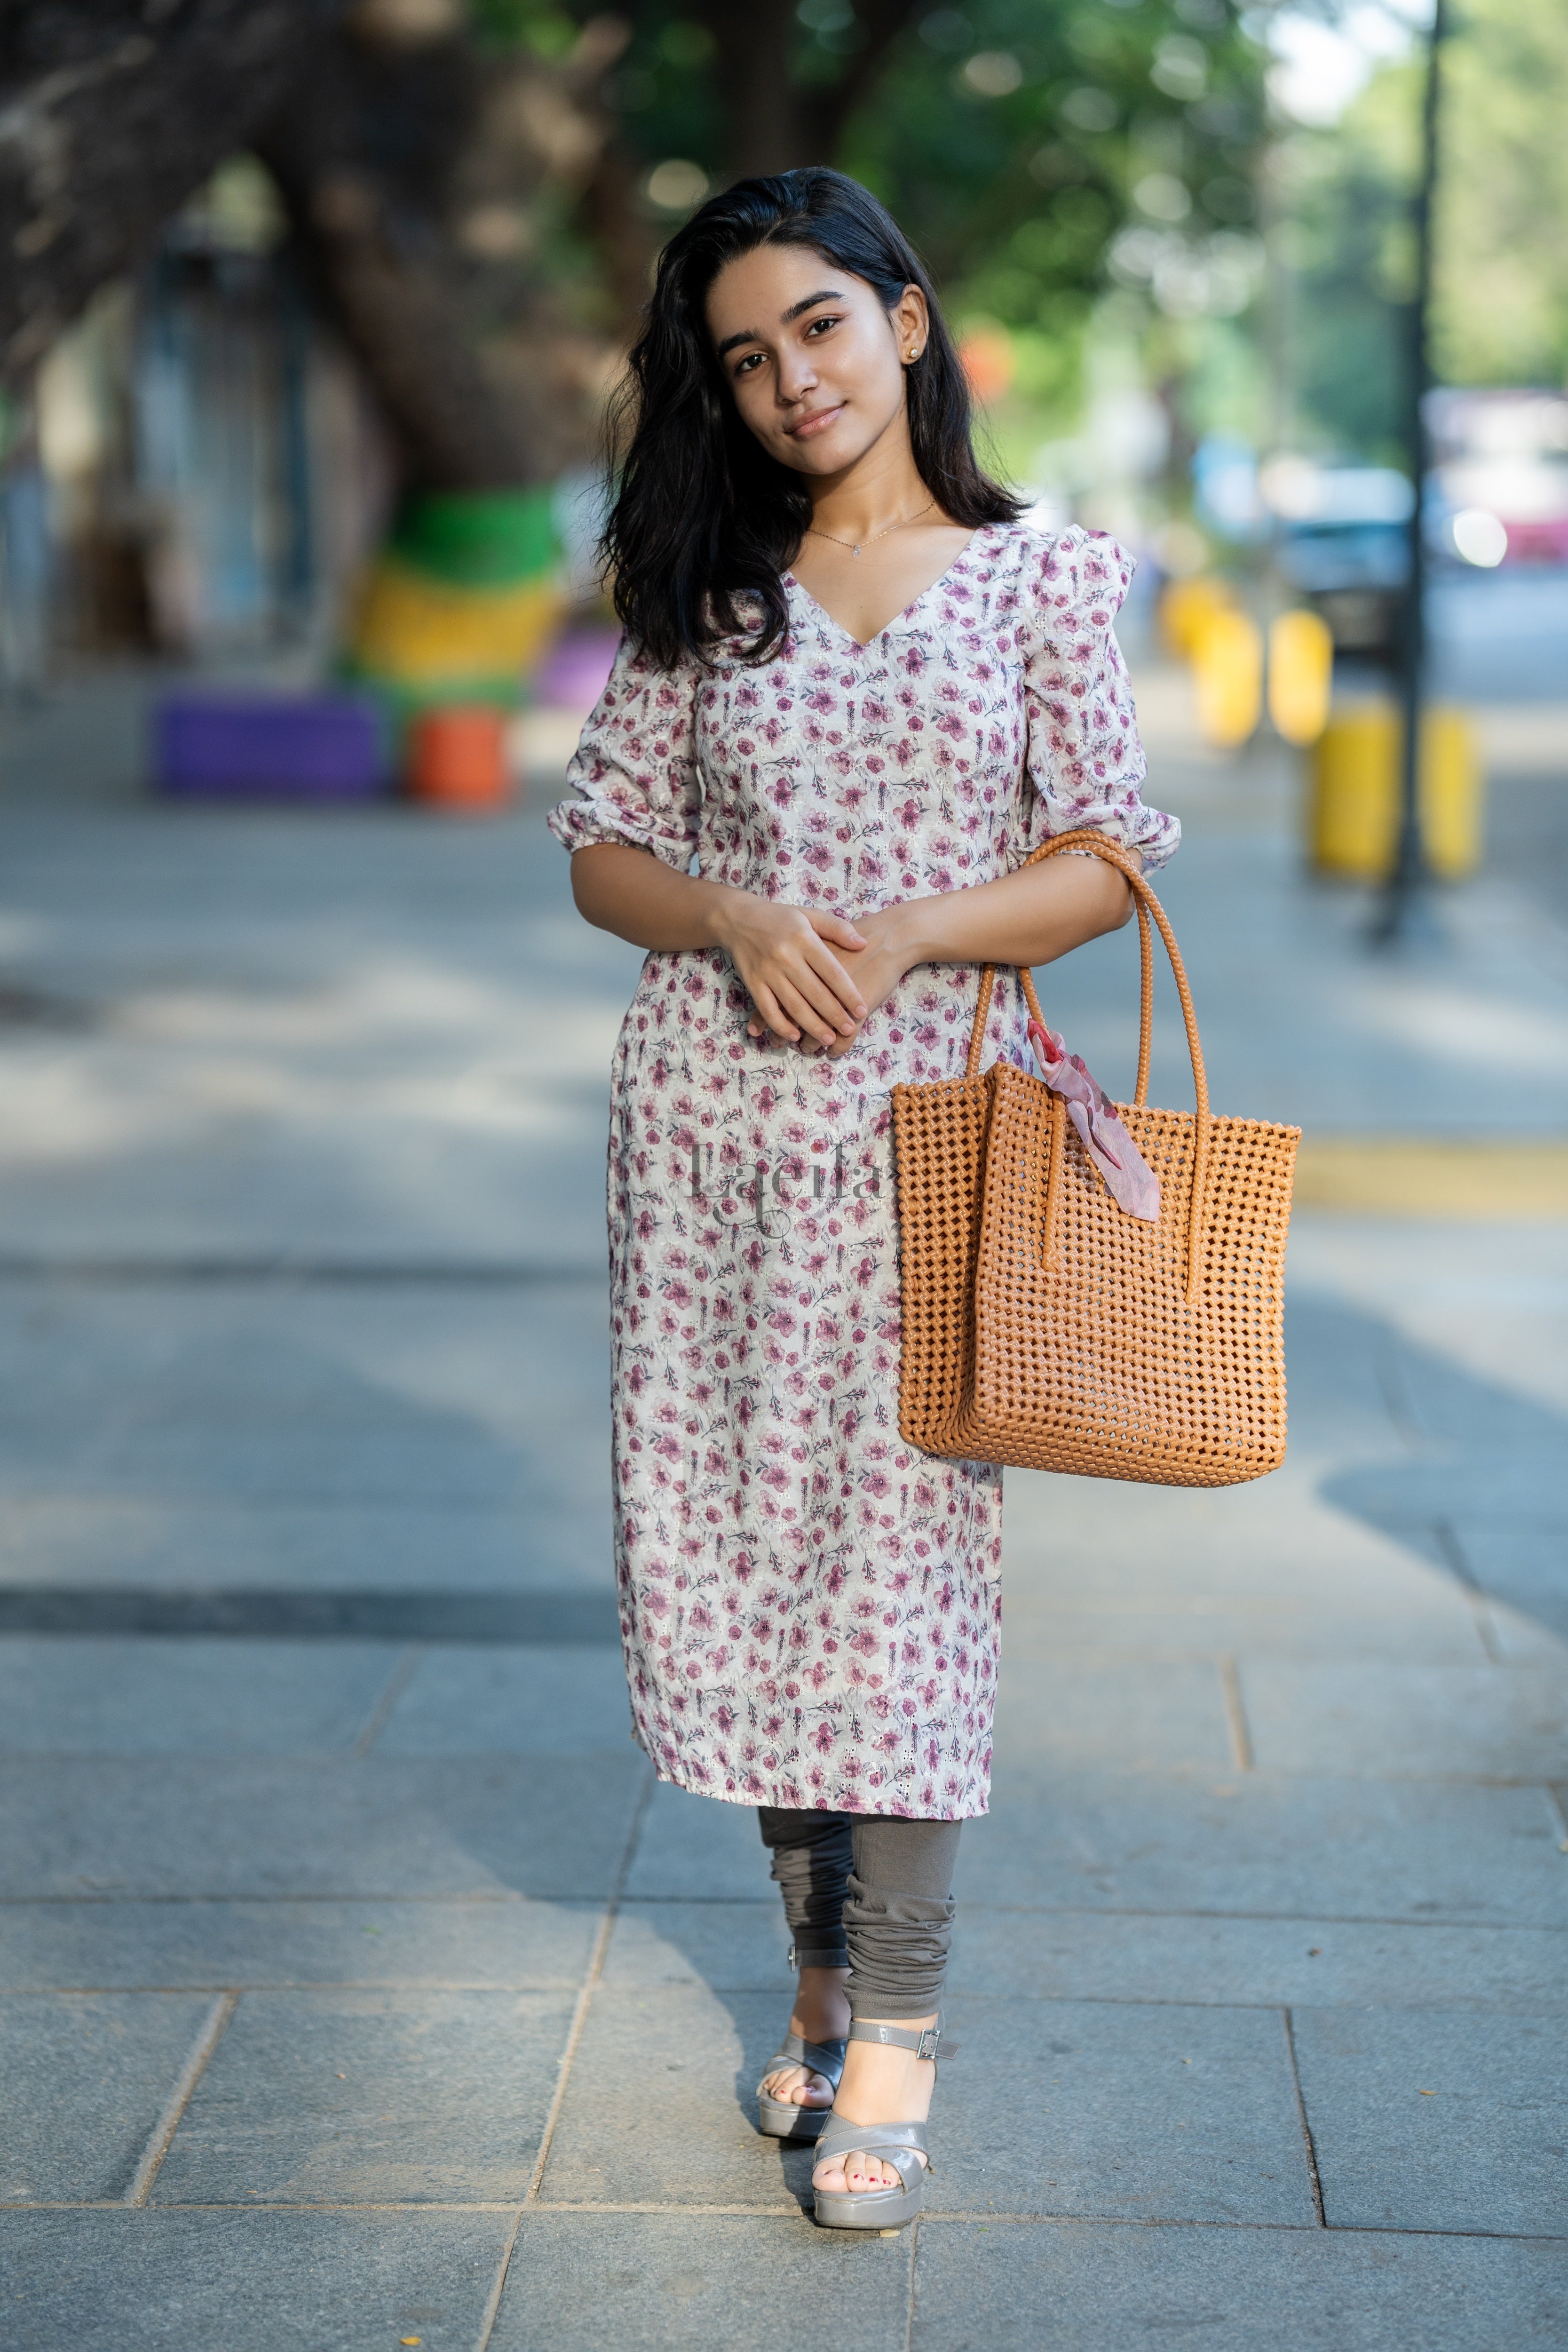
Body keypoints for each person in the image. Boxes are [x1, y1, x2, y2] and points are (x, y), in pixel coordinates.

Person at [549, 167, 1178, 2230]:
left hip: (933, 1157)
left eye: (818, 324)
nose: (790, 378)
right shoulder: (702, 590)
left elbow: (1102, 857)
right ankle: (812, 1972)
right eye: (744, 356)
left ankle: (897, 2026)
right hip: (712, 1162)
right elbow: (600, 849)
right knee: (744, 1570)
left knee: (901, 1590)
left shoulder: (1044, 582)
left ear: (908, 321)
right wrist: (731, 909)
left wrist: (910, 931)